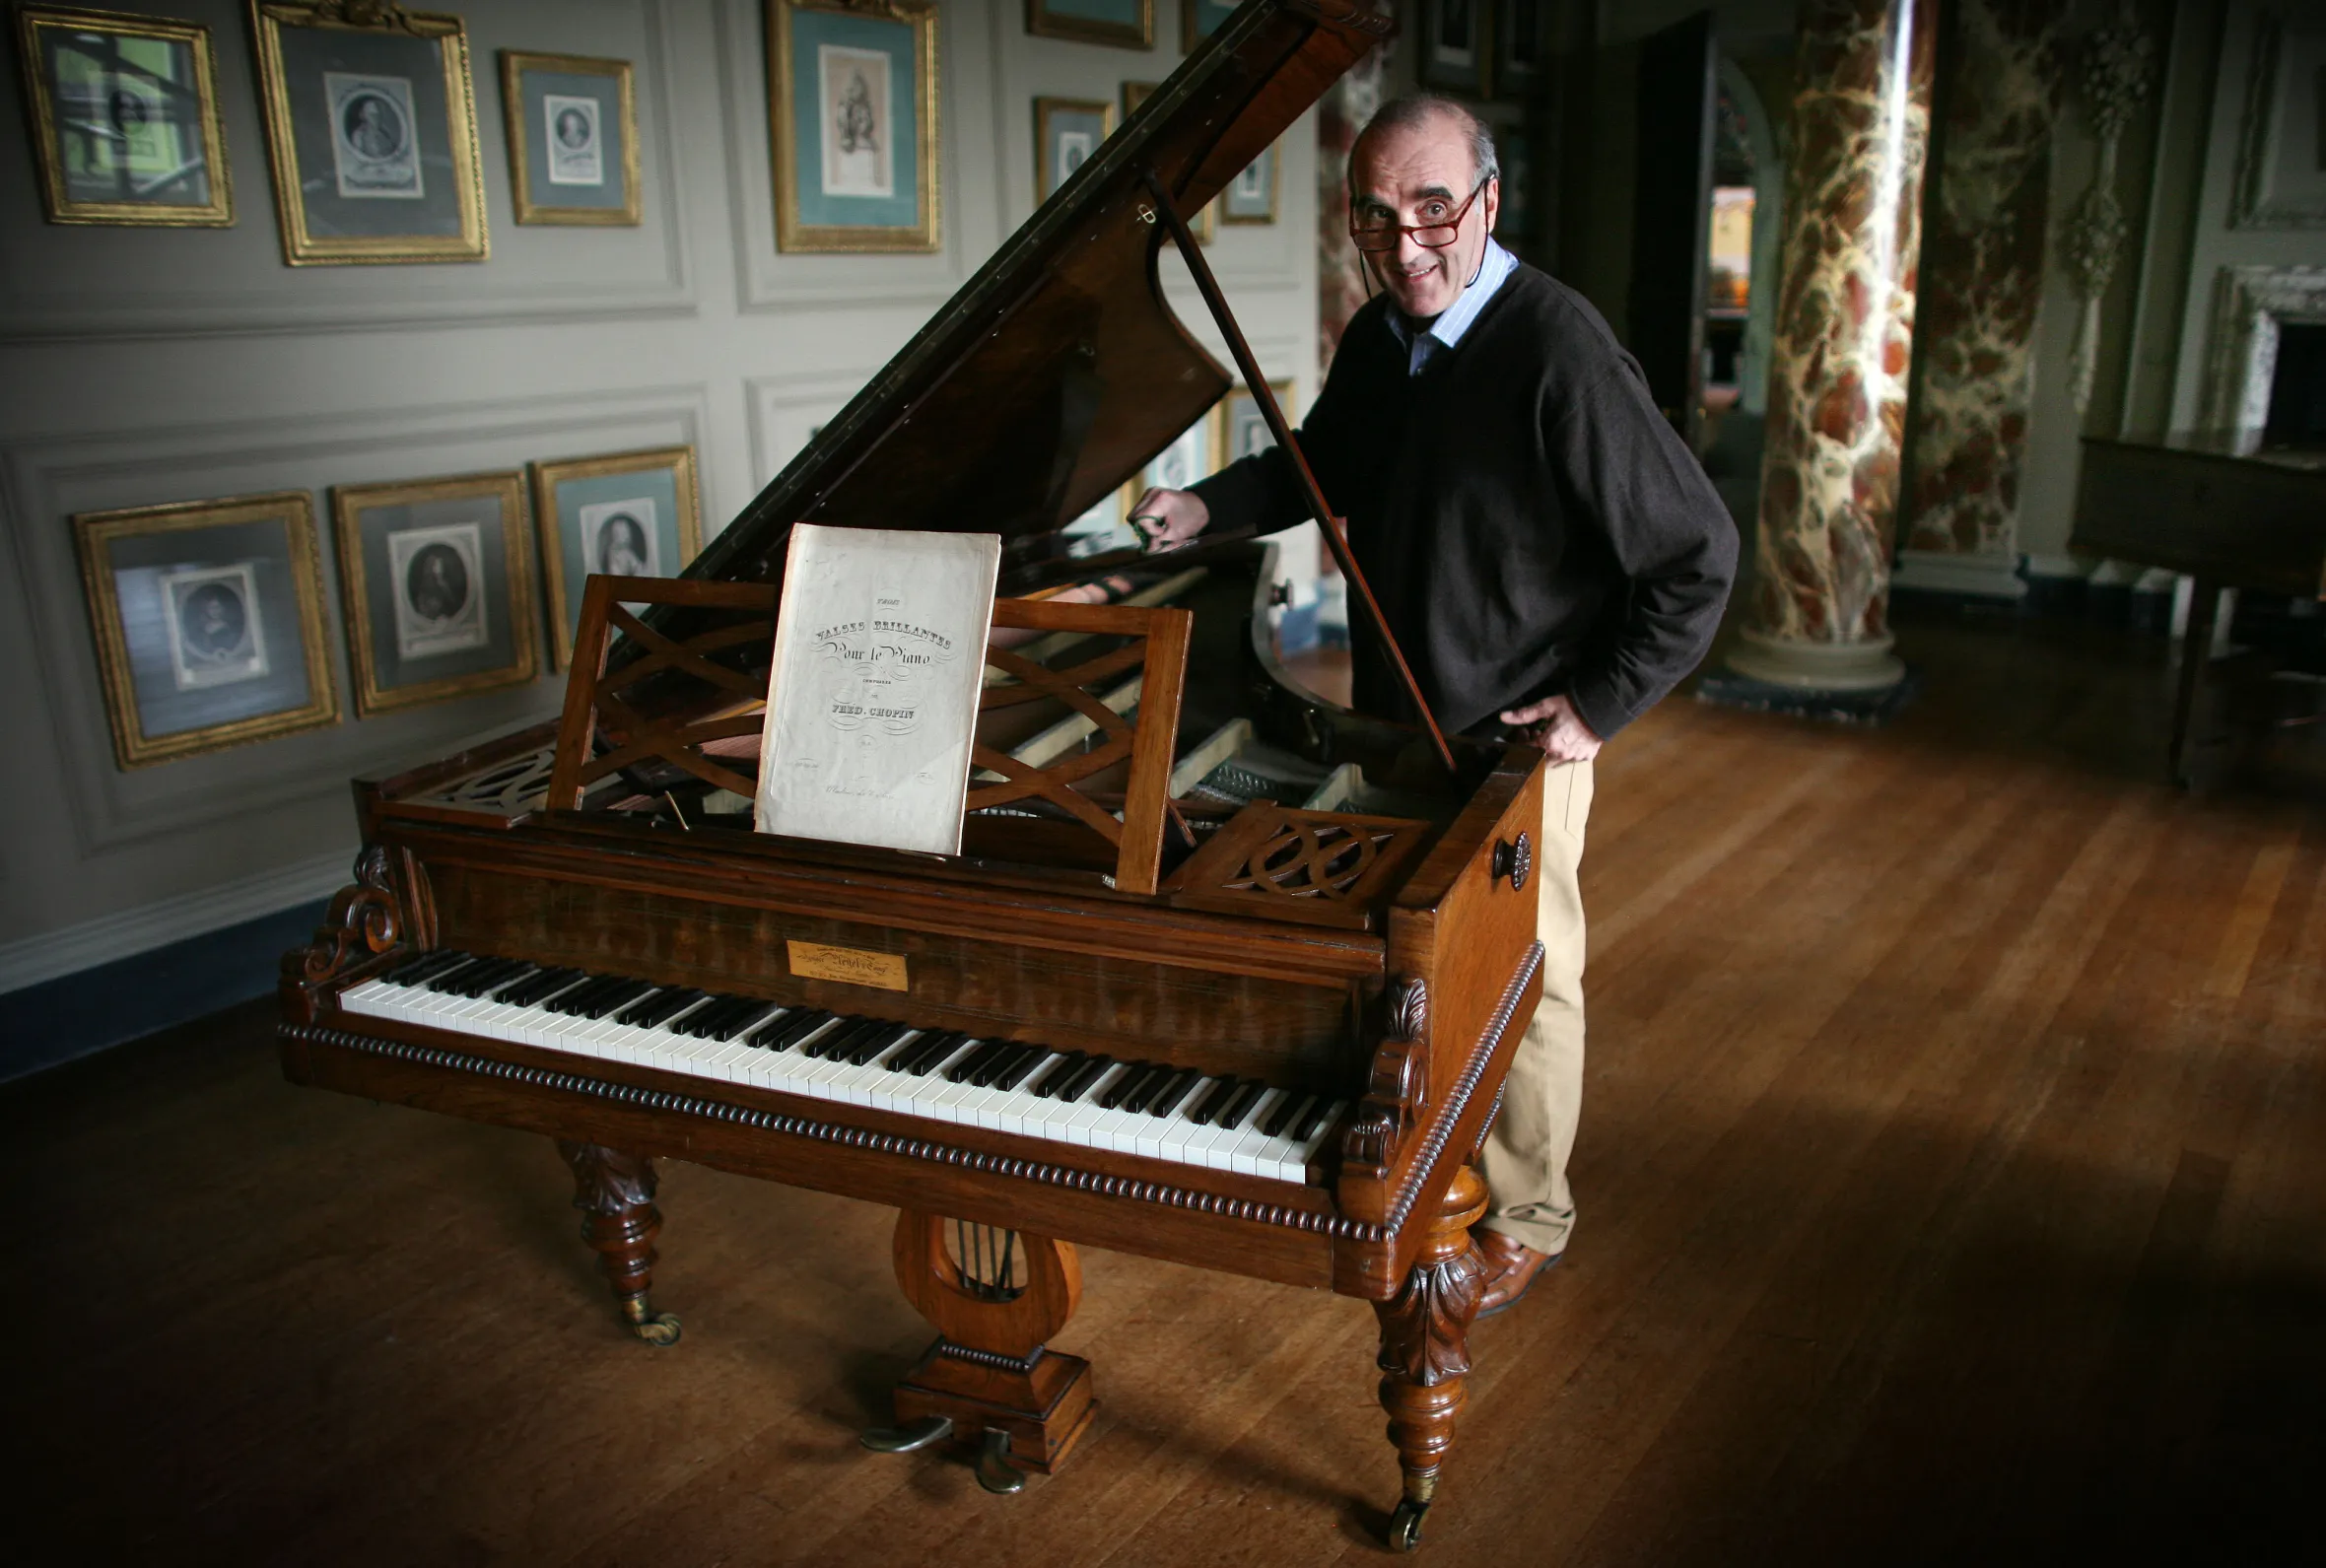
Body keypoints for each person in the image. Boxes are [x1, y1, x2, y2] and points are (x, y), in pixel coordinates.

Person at [1128, 95, 1736, 1316]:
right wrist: (1206, 508)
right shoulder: (1382, 337)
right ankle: (1432, 1150)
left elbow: (1696, 555)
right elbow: (1323, 463)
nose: (1405, 244)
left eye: (1432, 209)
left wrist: (1593, 708)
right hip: (1400, 717)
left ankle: (1527, 1215)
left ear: (1486, 203)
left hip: (1519, 741)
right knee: (1420, 961)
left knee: (1528, 978)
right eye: (1375, 217)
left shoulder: (1558, 352)